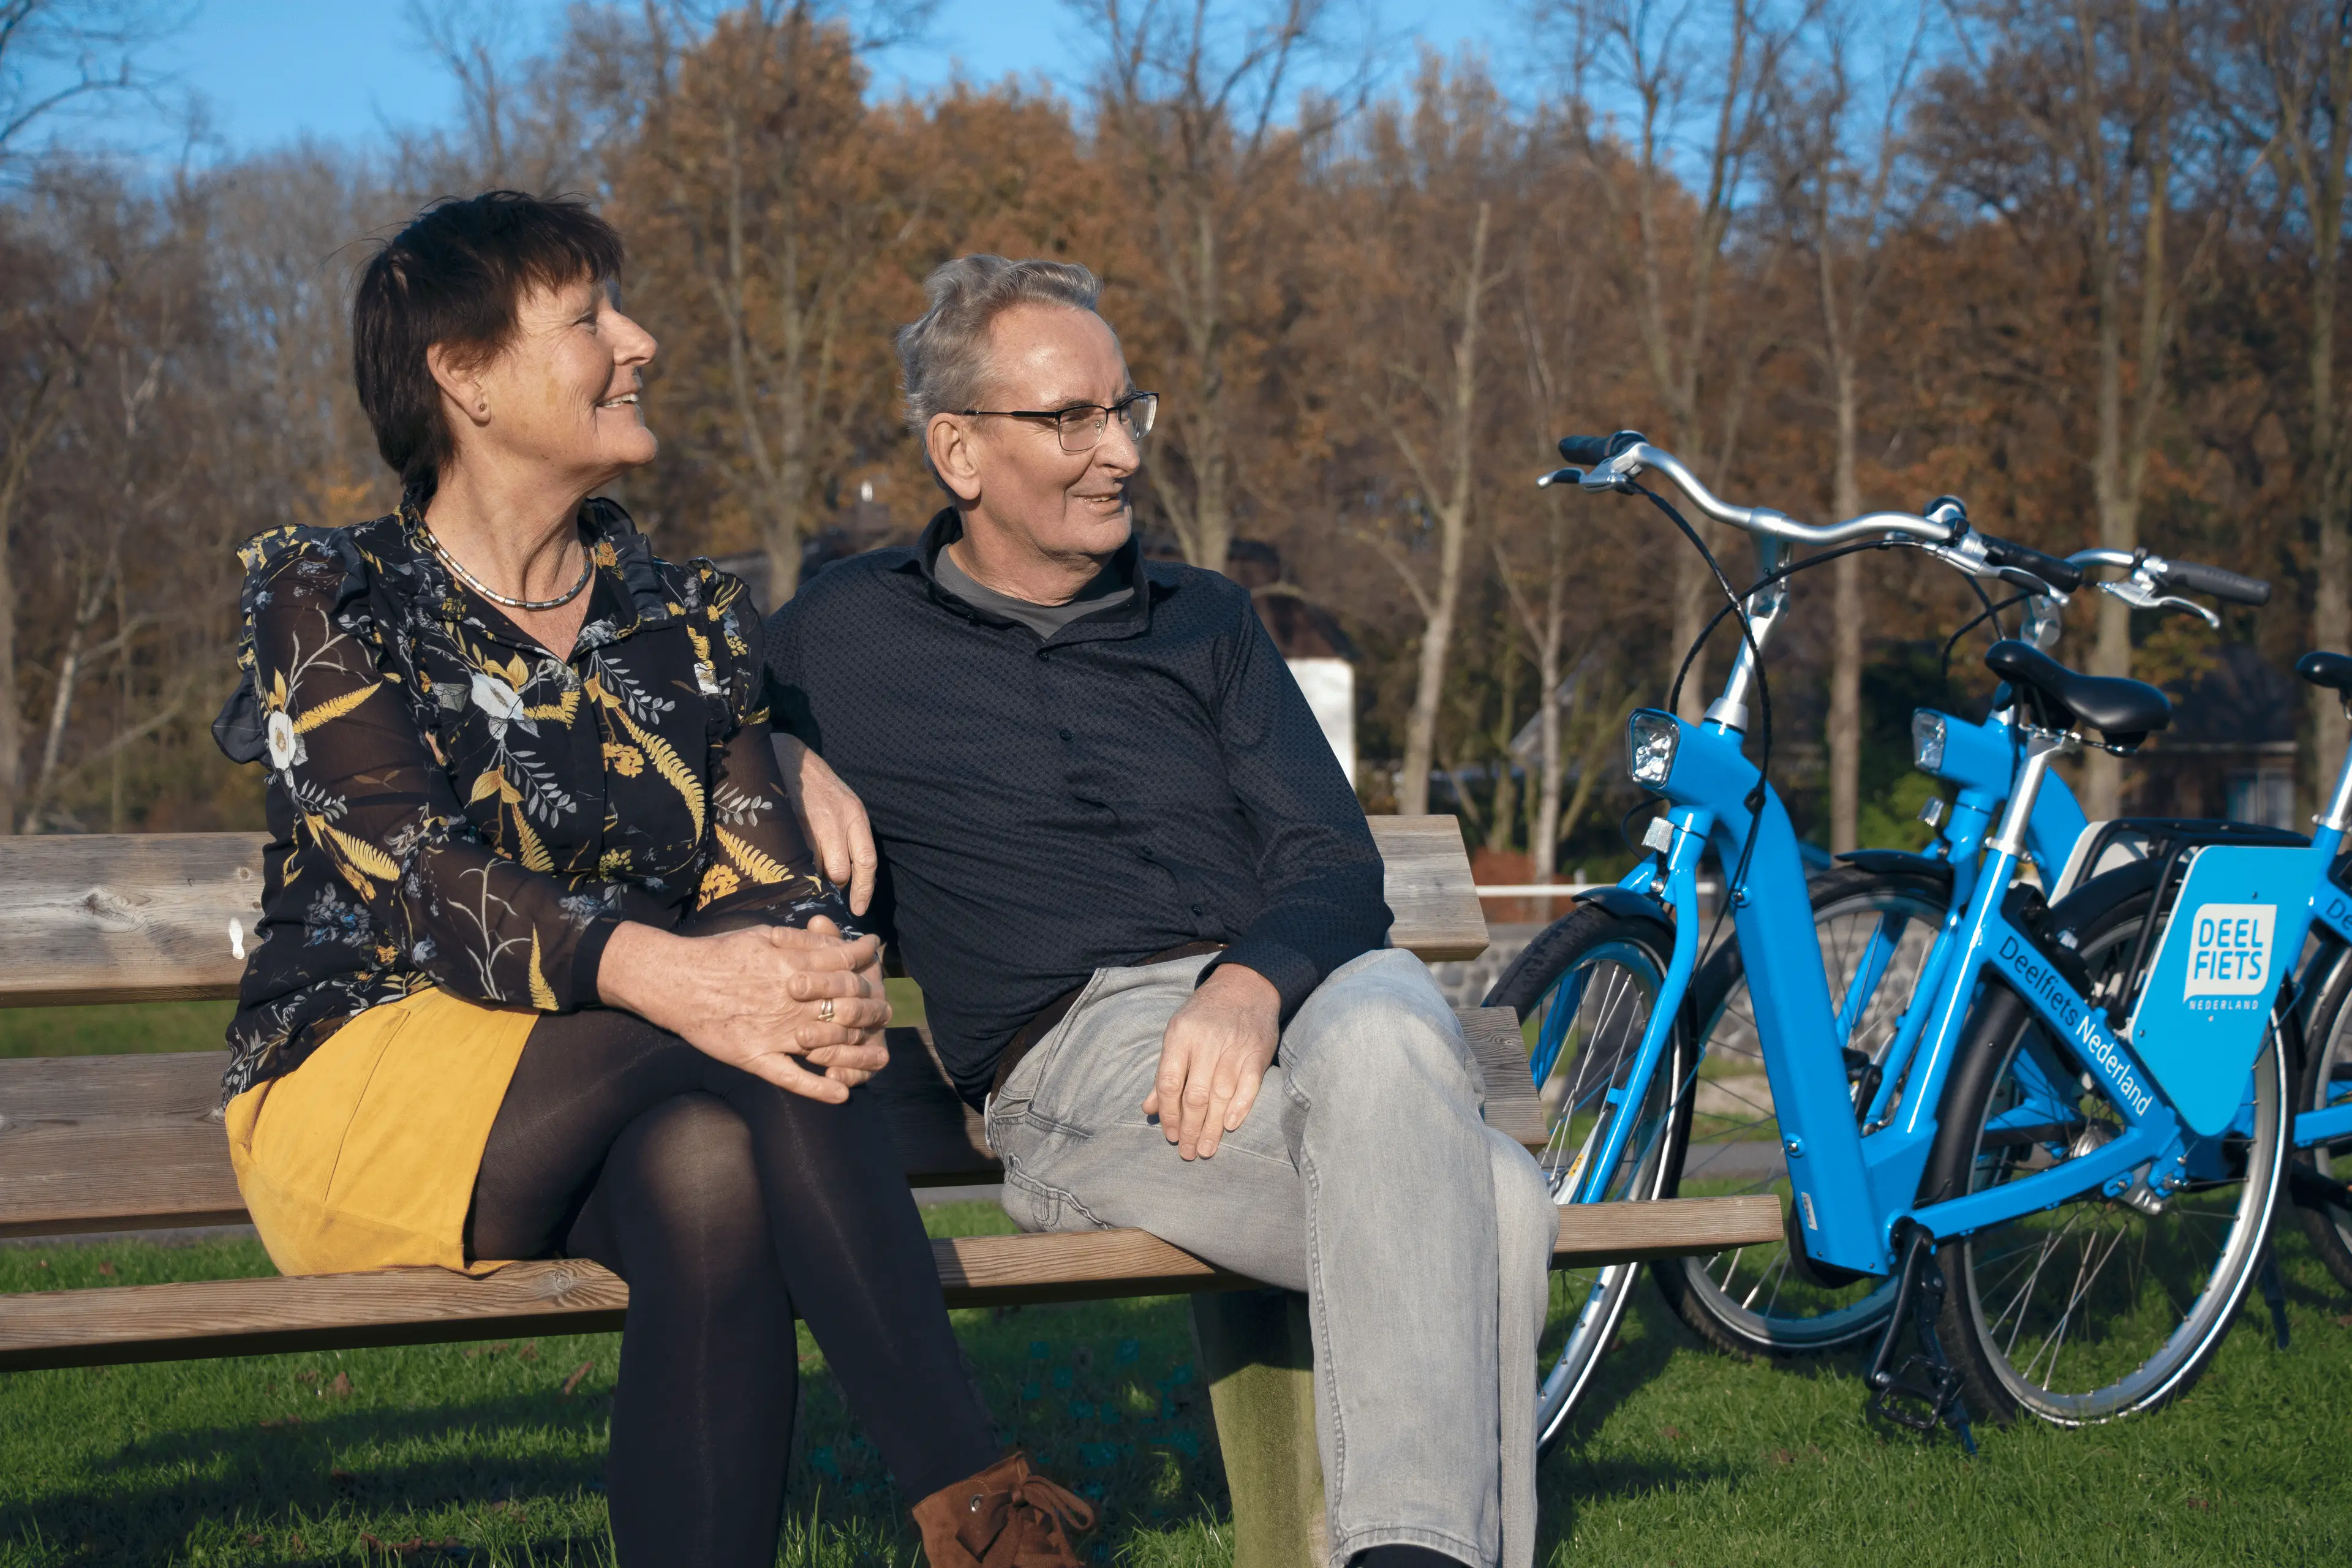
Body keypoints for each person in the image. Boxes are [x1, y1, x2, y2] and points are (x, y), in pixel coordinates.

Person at [210, 195, 1091, 1568]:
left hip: (646, 1072)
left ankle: (969, 1520)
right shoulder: (327, 593)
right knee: (737, 1040)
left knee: (715, 1169)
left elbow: (759, 882)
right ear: (466, 373)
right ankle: (981, 1505)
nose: (642, 341)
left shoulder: (680, 615)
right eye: (589, 320)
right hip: (365, 1080)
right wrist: (693, 976)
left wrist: (803, 948)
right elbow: (420, 881)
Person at [765, 255, 1555, 1568]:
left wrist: (1248, 986)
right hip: (1085, 1068)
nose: (1117, 450)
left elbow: (1332, 863)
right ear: (958, 449)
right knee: (1501, 1201)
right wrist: (776, 756)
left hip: (1299, 1003)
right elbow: (679, 746)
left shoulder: (1208, 619)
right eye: (1069, 418)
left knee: (1384, 1006)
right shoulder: (840, 637)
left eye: (1125, 409)